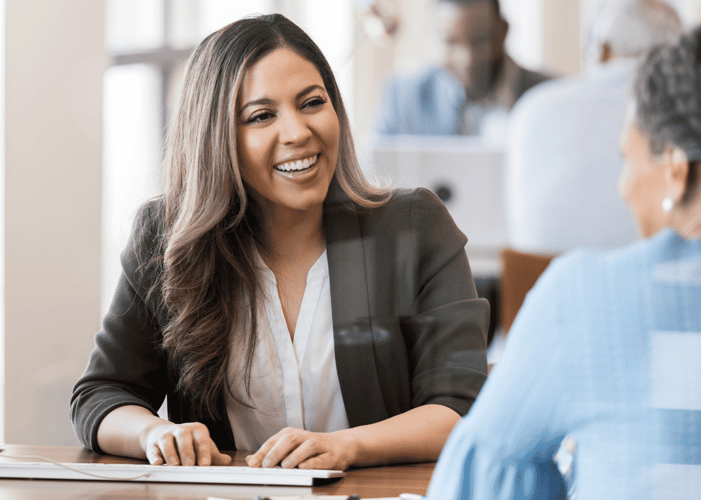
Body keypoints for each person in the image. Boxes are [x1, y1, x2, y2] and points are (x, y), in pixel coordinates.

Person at [71, 14, 489, 470]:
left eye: (311, 103)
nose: (296, 132)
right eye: (261, 116)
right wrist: (156, 433)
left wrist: (346, 447)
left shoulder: (414, 227)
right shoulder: (165, 237)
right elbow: (102, 394)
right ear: (216, 137)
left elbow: (460, 407)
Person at [428, 21, 701, 499]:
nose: (622, 188)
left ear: (677, 170)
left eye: (628, 159)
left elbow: (482, 479)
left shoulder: (587, 296)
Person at [504, 0, 683, 254]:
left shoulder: (531, 107)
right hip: (643, 279)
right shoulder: (682, 116)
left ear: (603, 50)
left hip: (531, 282)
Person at [375, 0, 552, 138]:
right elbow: (373, 177)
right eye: (450, 42)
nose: (467, 59)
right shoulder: (403, 98)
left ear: (503, 31)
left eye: (481, 40)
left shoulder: (550, 96)